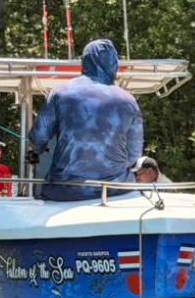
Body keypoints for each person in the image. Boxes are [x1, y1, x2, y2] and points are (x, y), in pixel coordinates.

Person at [29, 39, 144, 201]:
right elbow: (134, 154)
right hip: (116, 191)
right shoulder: (129, 100)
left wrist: (38, 150)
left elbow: (38, 137)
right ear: (114, 63)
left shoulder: (61, 92)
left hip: (66, 191)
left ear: (85, 60)